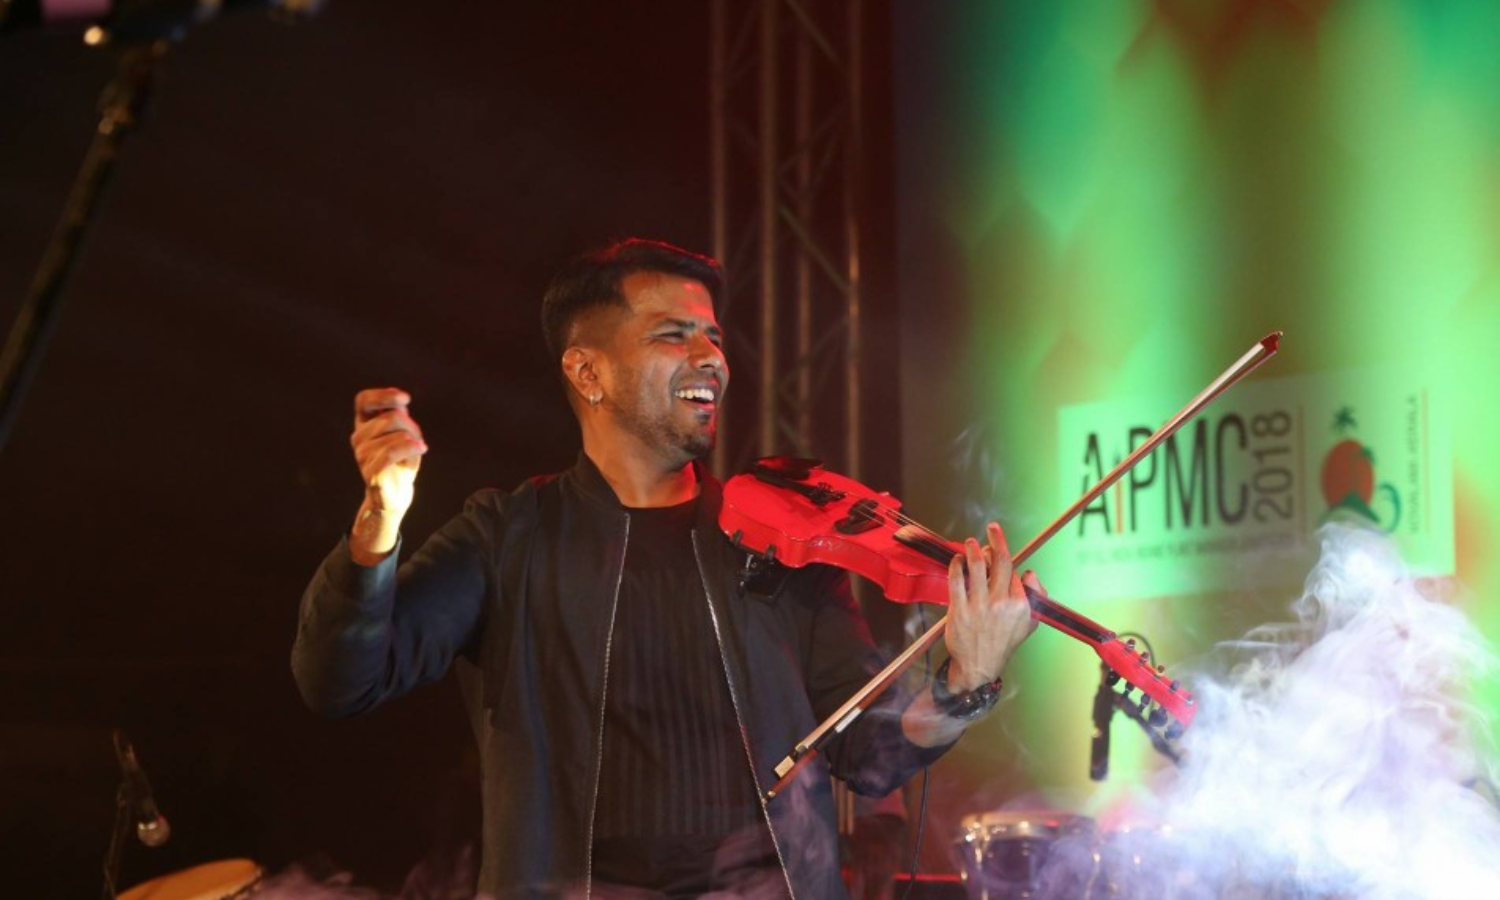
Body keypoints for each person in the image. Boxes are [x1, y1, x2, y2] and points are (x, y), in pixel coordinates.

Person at [292, 238, 1041, 899]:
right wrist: (379, 518)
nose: (710, 357)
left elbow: (871, 752)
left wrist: (966, 681)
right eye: (673, 335)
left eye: (713, 336)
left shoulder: (780, 542)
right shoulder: (506, 536)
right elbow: (339, 680)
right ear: (588, 371)